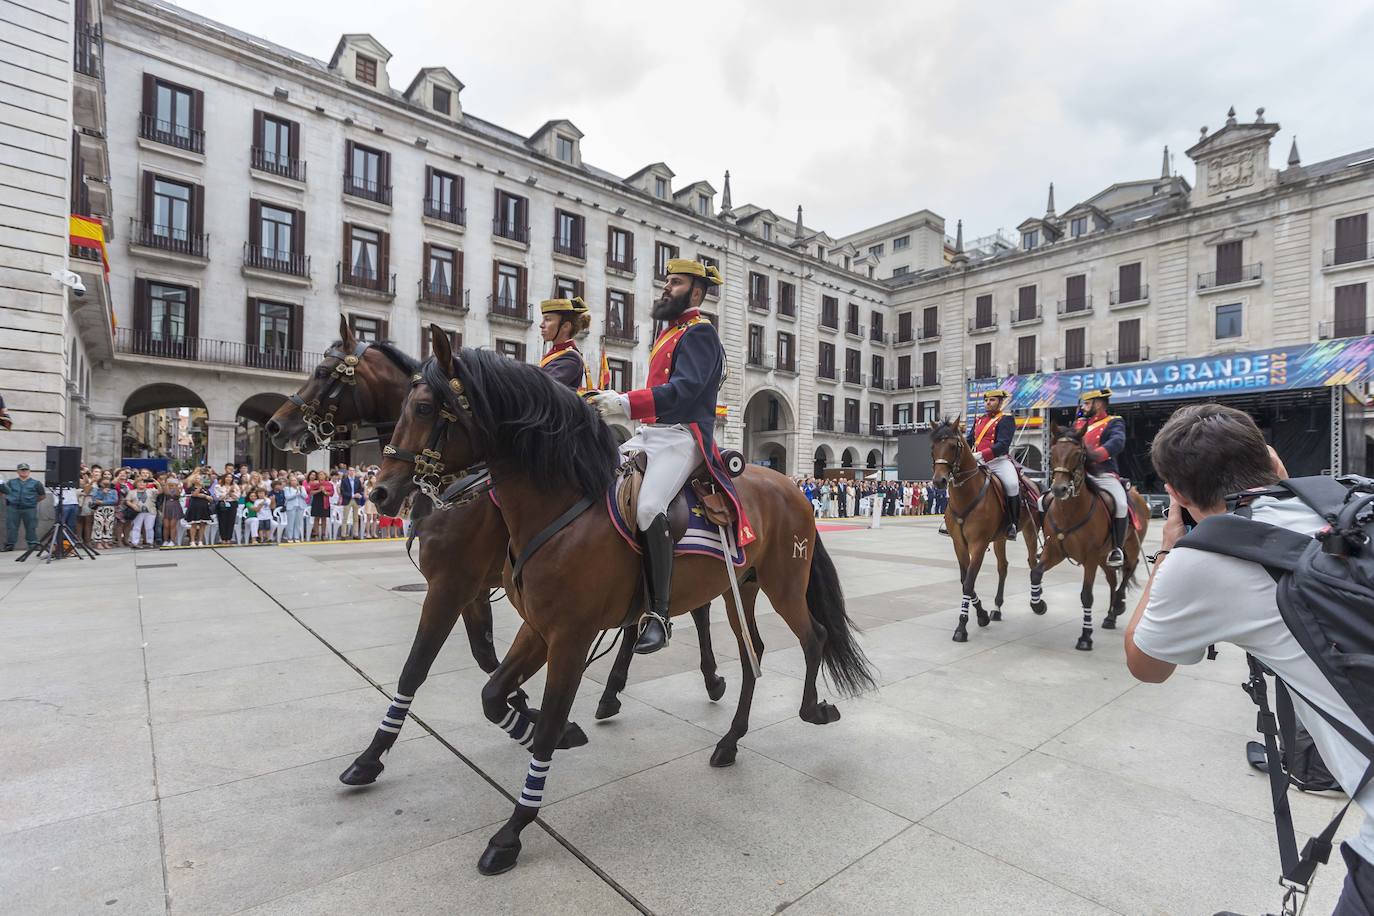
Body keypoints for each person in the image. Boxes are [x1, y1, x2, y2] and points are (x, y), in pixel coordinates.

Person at [1123, 403, 1374, 914]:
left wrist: (1170, 548)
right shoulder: (1360, 496)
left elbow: (1145, 664)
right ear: (1271, 459)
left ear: (1173, 495)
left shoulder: (1201, 560)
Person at [590, 258, 753, 654]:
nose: (667, 288)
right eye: (667, 281)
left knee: (648, 508)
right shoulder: (670, 333)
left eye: (676, 283)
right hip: (652, 434)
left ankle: (658, 615)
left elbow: (682, 391)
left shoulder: (700, 334)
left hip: (684, 436)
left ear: (696, 293)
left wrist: (623, 402)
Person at [1073, 387, 1128, 567]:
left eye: (1088, 403)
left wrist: (1096, 455)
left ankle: (1117, 548)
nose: (1084, 406)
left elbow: (1117, 442)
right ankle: (1051, 538)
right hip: (1080, 474)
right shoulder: (1079, 424)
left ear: (1099, 403)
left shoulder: (1114, 422)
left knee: (1120, 504)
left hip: (1103, 472)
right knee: (1046, 500)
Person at [968, 389, 1020, 538]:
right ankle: (949, 518)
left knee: (1012, 485)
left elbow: (1003, 445)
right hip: (977, 461)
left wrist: (981, 454)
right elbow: (969, 440)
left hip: (998, 461)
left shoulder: (1006, 420)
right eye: (986, 400)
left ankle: (1012, 523)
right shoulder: (979, 420)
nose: (988, 403)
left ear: (1000, 402)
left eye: (992, 400)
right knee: (957, 480)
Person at [537, 296, 592, 389]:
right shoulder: (556, 353)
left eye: (548, 319)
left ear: (566, 326)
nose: (541, 325)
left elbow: (542, 387)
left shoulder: (570, 357)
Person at [2, 463, 45, 551]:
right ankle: (10, 544)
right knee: (11, 527)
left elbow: (42, 496)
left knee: (31, 527)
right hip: (13, 508)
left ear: (29, 471)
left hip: (29, 508)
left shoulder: (36, 483)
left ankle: (32, 544)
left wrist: (32, 501)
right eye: (22, 470)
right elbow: (4, 492)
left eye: (26, 470)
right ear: (17, 471)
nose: (24, 471)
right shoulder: (11, 482)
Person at [184, 478, 212, 546]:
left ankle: (200, 541)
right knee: (194, 524)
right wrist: (203, 494)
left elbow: (210, 498)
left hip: (204, 508)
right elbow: (194, 494)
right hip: (194, 508)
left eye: (200, 479)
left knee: (203, 525)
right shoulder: (192, 488)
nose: (199, 480)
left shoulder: (205, 489)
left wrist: (206, 496)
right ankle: (192, 541)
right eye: (197, 479)